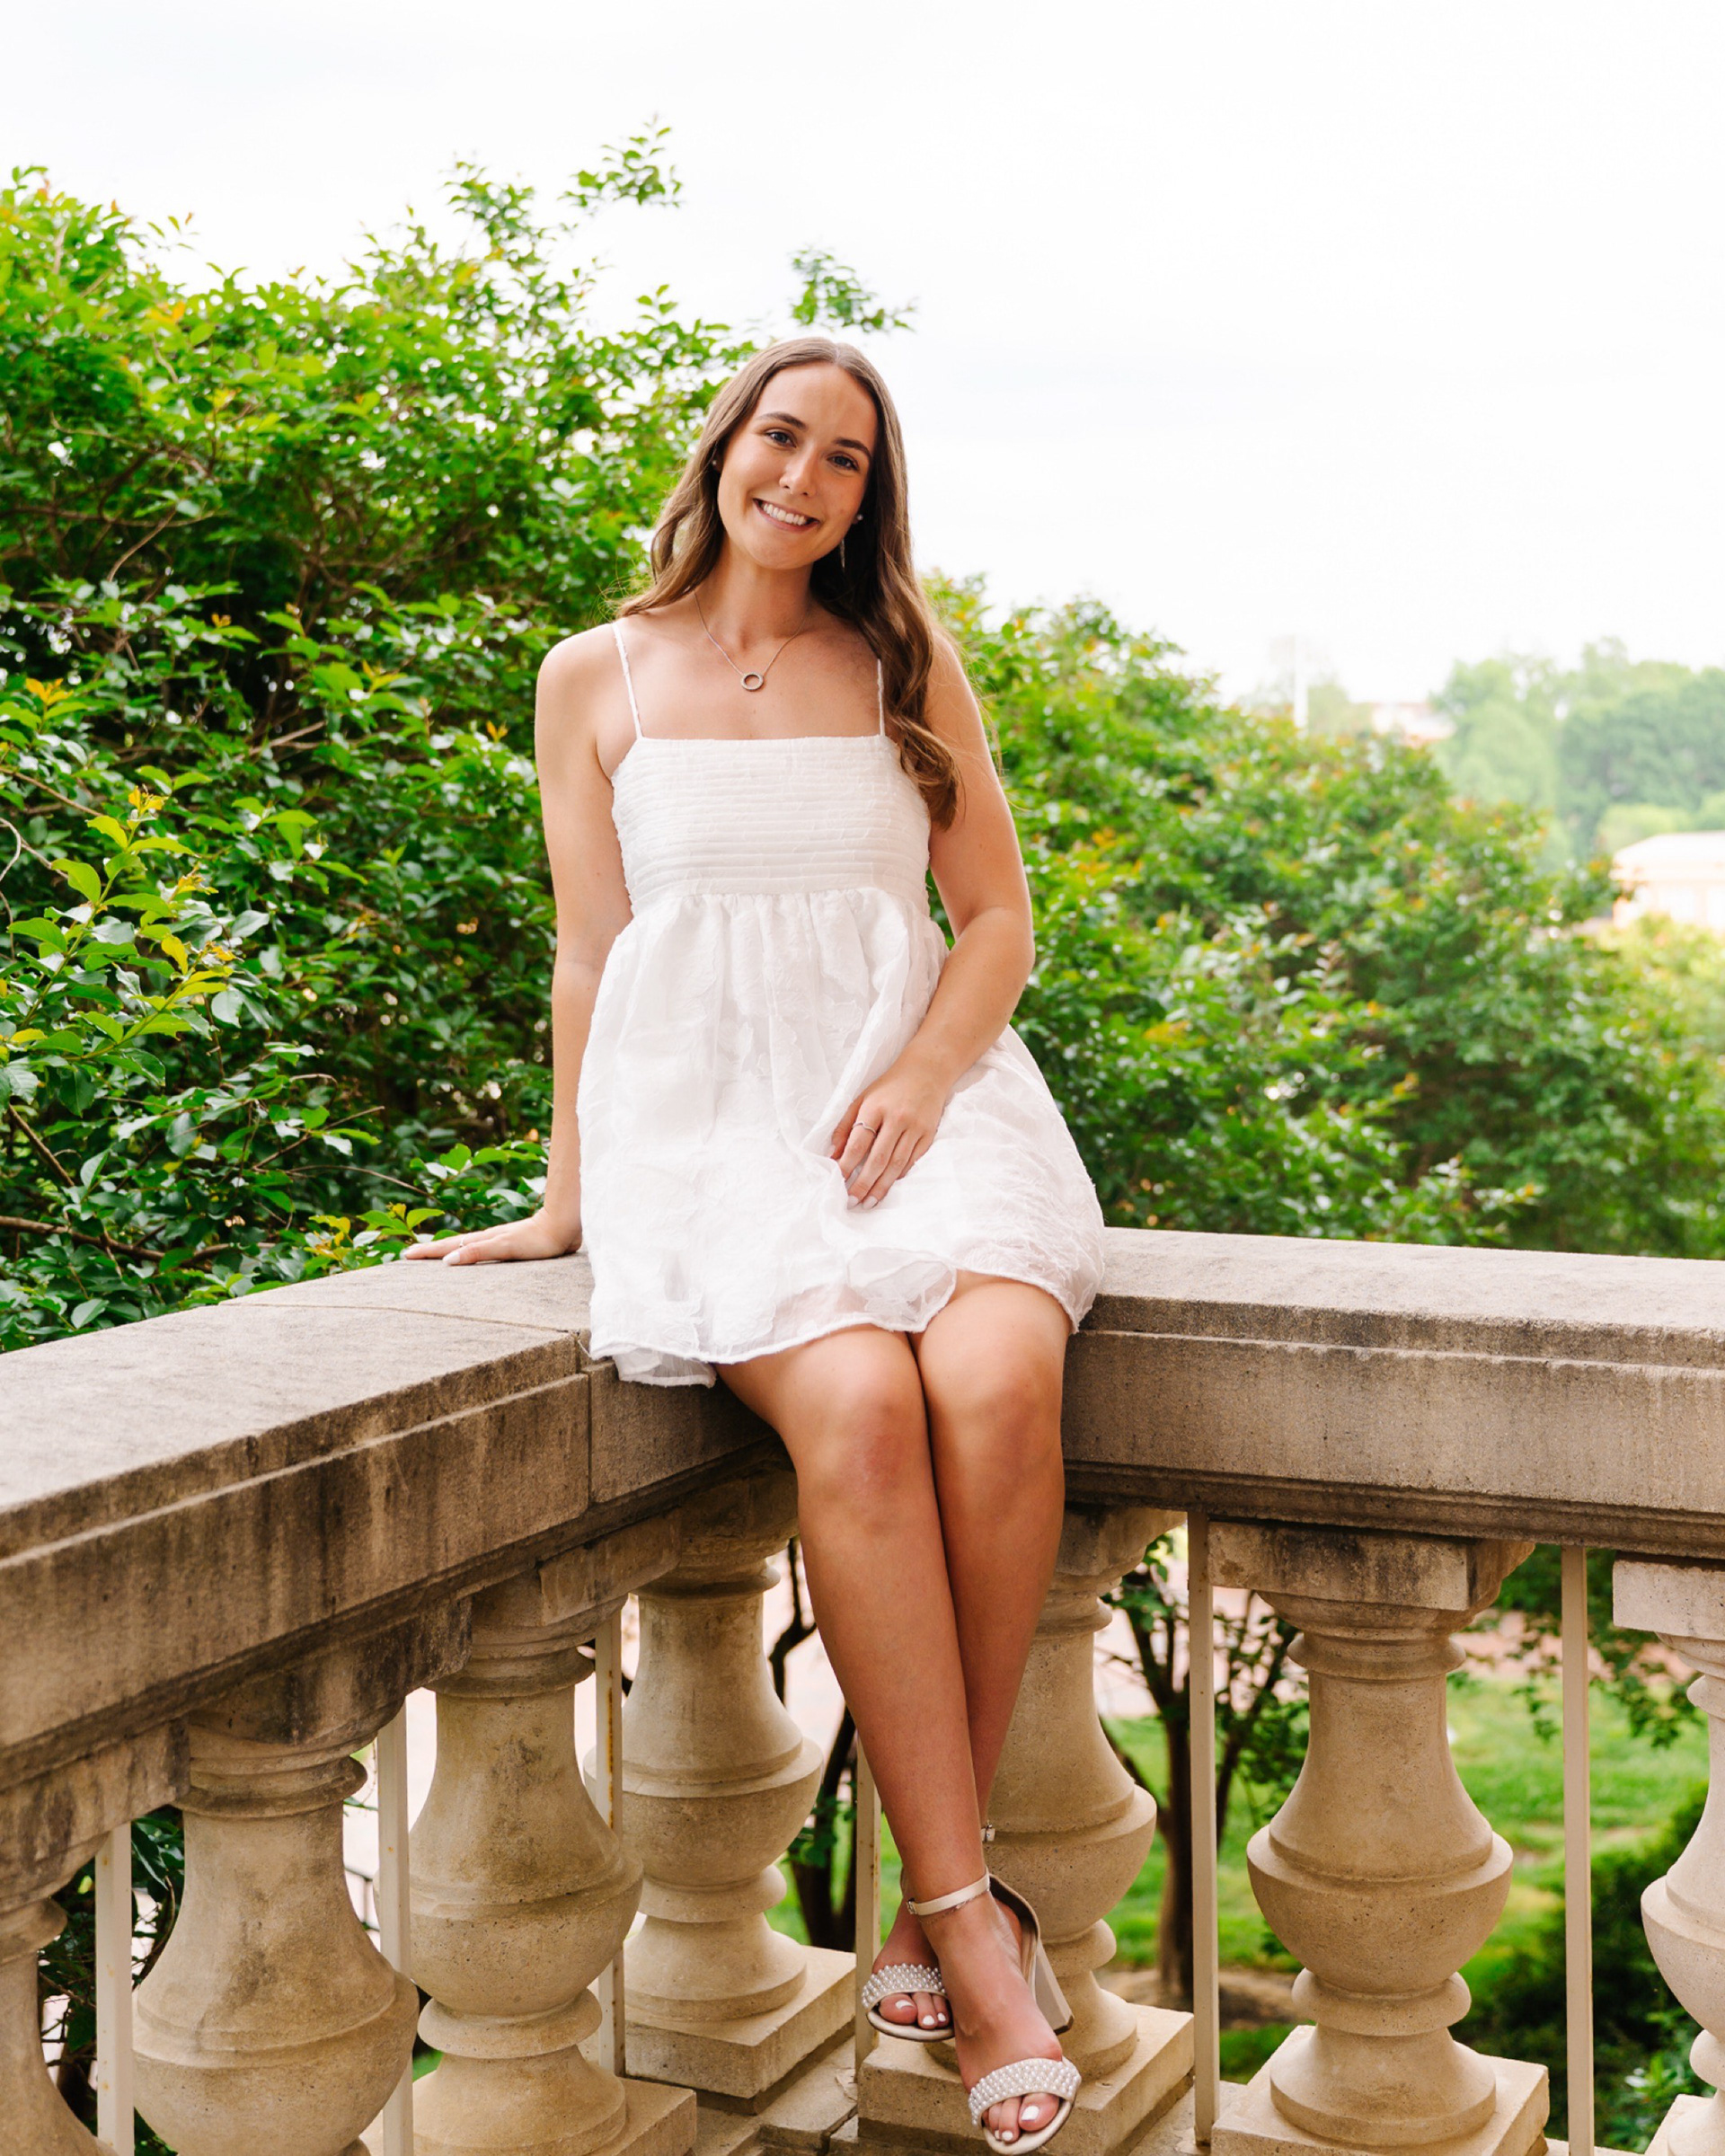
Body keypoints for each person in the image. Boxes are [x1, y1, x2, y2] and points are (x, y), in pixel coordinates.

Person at [405, 336, 1108, 2153]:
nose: (803, 476)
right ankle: (970, 1921)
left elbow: (998, 916)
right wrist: (567, 1198)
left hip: (919, 1103)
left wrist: (923, 1076)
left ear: (871, 496)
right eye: (781, 437)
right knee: (858, 1413)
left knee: (995, 1379)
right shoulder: (590, 675)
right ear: (724, 448)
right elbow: (590, 950)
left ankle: (933, 1892)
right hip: (711, 1126)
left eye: (845, 457)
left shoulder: (900, 657)